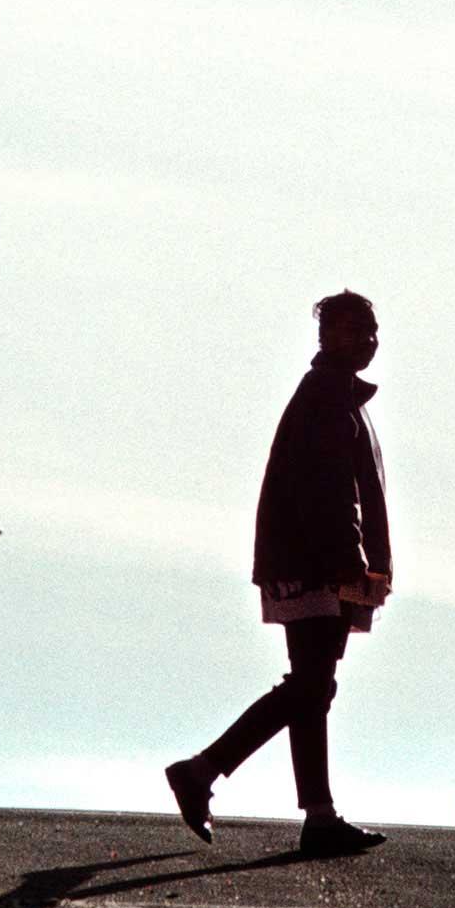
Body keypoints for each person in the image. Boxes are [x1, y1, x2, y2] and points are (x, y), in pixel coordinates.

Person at [166, 289, 391, 859]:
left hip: (316, 562)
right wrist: (354, 566)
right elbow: (331, 492)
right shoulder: (327, 396)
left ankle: (317, 816)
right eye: (354, 330)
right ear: (326, 337)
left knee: (314, 687)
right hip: (314, 564)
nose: (366, 340)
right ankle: (203, 771)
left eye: (371, 331)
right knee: (311, 685)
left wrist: (370, 565)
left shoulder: (341, 397)